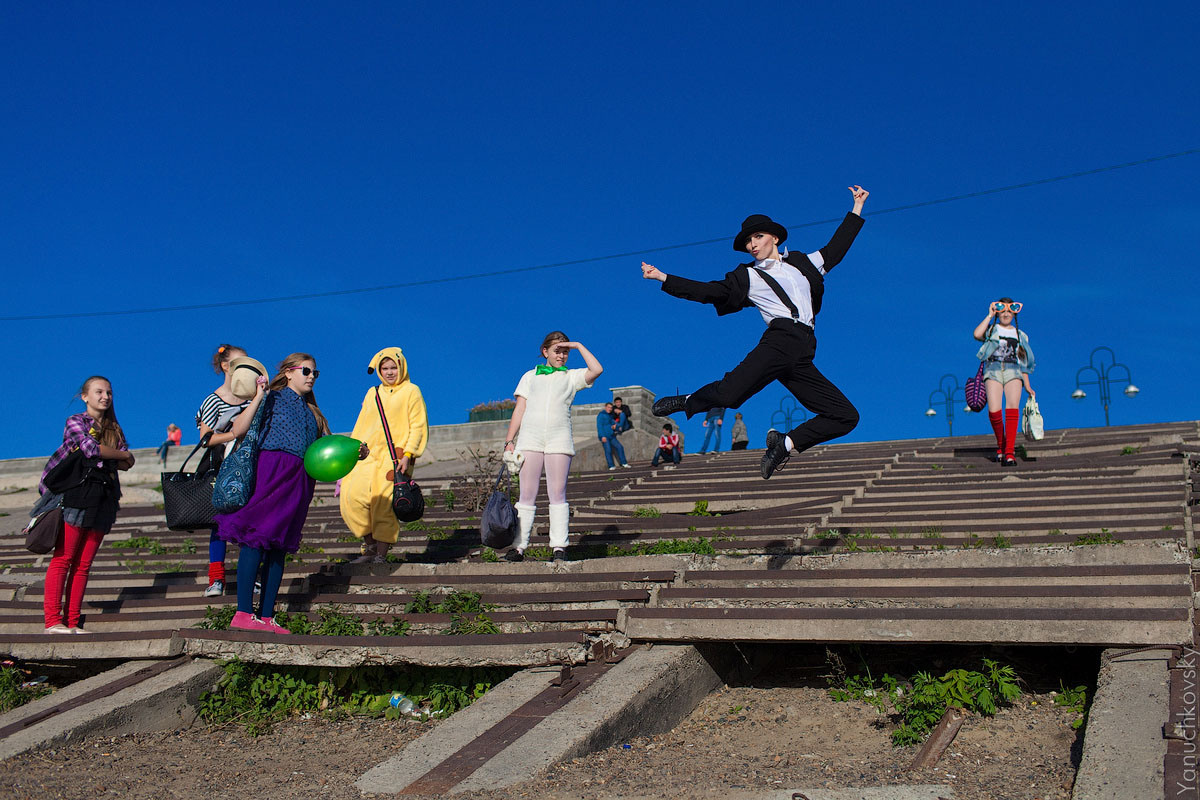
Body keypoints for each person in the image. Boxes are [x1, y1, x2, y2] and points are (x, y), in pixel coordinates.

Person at [642, 186, 869, 480]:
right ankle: (687, 401)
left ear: (775, 237)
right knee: (731, 395)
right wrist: (663, 278)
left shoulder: (803, 263)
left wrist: (857, 207)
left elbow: (836, 248)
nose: (752, 244)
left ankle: (784, 444)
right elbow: (709, 291)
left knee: (846, 416)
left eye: (757, 237)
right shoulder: (748, 276)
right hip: (779, 341)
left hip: (803, 350)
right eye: (748, 241)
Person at [214, 353, 353, 633]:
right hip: (271, 472)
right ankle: (243, 613)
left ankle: (266, 616)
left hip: (299, 480)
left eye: (315, 373)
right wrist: (259, 396)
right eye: (306, 371)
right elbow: (238, 429)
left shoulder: (313, 412)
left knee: (279, 548)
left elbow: (326, 450)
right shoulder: (272, 397)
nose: (311, 377)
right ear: (288, 372)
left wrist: (355, 451)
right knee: (256, 539)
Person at [36, 376, 134, 633]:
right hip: (77, 494)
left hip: (105, 496)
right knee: (64, 558)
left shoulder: (114, 428)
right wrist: (121, 454)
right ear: (84, 396)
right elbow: (91, 449)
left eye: (109, 393)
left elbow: (127, 463)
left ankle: (72, 621)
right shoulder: (76, 421)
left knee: (83, 564)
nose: (105, 397)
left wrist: (119, 455)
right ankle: (52, 621)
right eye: (99, 392)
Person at [502, 331, 603, 562]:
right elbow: (519, 409)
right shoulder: (529, 376)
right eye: (558, 350)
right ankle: (518, 547)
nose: (562, 355)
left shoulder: (571, 377)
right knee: (526, 495)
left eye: (566, 351)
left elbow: (597, 369)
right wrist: (509, 441)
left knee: (557, 494)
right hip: (530, 439)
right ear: (545, 351)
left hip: (559, 439)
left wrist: (578, 345)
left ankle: (559, 547)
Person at [340, 347, 428, 563]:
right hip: (366, 456)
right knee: (352, 498)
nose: (389, 372)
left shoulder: (411, 391)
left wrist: (409, 454)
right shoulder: (373, 393)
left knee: (384, 505)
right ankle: (369, 547)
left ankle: (380, 554)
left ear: (401, 367)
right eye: (385, 368)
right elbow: (361, 424)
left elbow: (418, 425)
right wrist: (351, 456)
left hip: (395, 459)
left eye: (393, 368)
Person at [195, 344, 252, 597]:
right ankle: (216, 577)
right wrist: (234, 433)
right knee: (219, 523)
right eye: (240, 363)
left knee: (249, 520)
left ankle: (249, 574)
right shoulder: (213, 400)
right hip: (221, 465)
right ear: (226, 366)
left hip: (248, 463)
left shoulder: (253, 397)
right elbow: (205, 439)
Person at [973, 298, 1036, 466]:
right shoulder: (991, 329)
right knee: (994, 411)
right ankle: (1001, 445)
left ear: (1014, 313)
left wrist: (1027, 384)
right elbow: (977, 334)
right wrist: (989, 315)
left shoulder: (1020, 335)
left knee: (1012, 408)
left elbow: (1023, 361)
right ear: (998, 313)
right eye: (1002, 311)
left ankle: (1009, 452)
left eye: (1010, 311)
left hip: (1013, 370)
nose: (1006, 314)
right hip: (993, 369)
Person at [596, 402, 630, 470]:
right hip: (605, 436)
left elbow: (613, 423)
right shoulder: (601, 415)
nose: (610, 409)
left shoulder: (610, 416)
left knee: (620, 447)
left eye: (611, 408)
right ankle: (611, 466)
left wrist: (616, 427)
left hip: (611, 435)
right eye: (608, 407)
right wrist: (602, 436)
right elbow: (599, 426)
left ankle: (624, 463)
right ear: (605, 407)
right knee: (608, 450)